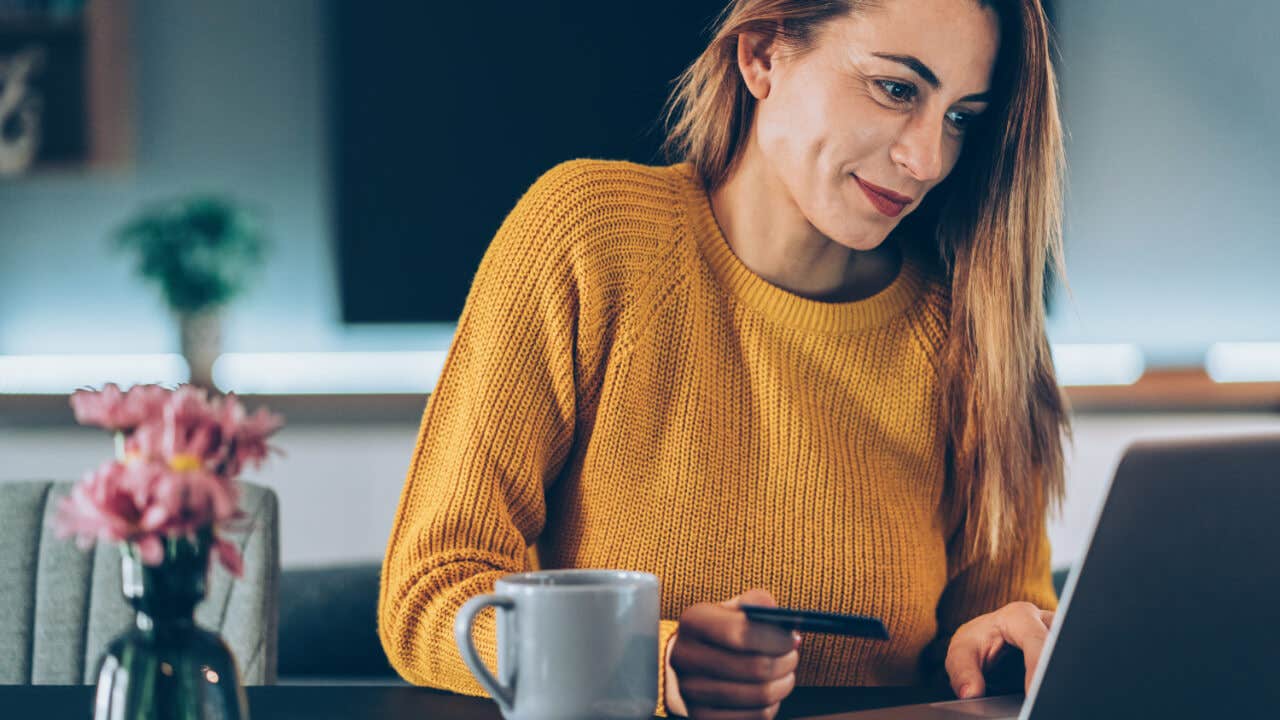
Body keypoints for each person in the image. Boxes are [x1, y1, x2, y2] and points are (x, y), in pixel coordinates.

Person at [378, 0, 1070, 717]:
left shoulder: (974, 332)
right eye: (897, 89)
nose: (927, 158)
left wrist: (996, 646)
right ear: (763, 54)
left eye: (962, 117)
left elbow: (1002, 632)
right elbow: (432, 589)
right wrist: (652, 665)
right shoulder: (588, 241)